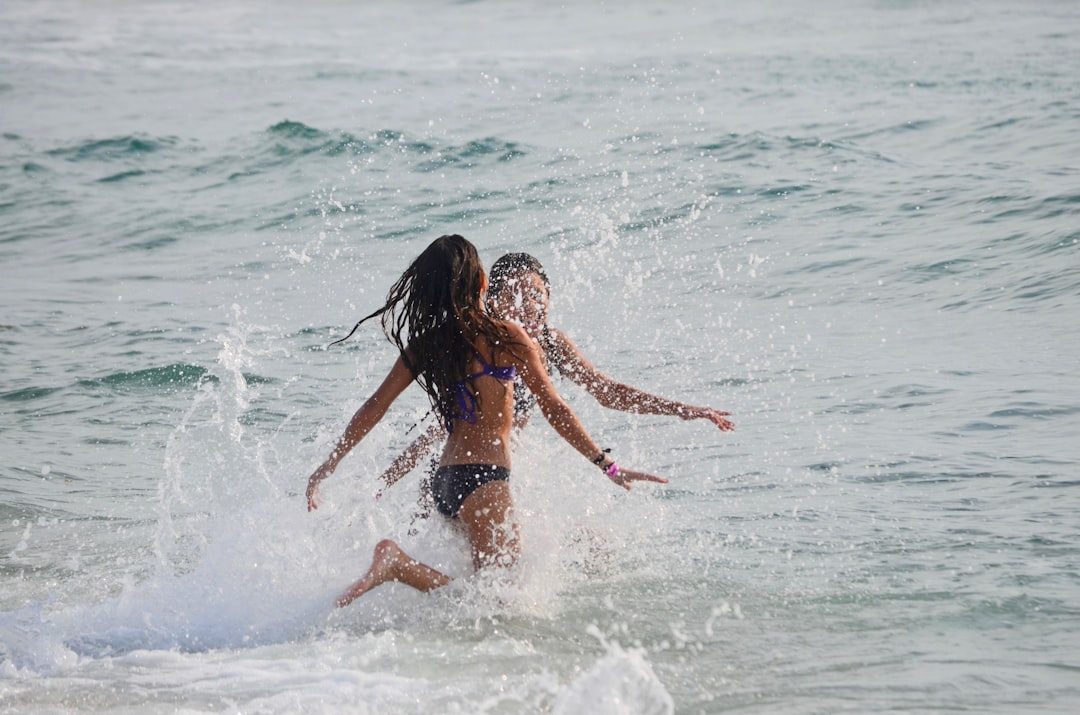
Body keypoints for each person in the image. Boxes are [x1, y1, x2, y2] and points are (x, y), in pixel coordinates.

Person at [305, 235, 665, 607]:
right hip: (484, 477)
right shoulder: (506, 337)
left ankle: (402, 568)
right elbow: (555, 408)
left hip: (444, 482)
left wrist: (330, 464)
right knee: (502, 601)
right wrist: (607, 465)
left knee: (483, 595)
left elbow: (374, 407)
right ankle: (398, 565)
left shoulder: (428, 343)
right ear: (482, 283)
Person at [376, 252, 734, 496]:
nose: (528, 304)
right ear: (493, 302)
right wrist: (386, 482)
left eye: (536, 293)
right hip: (459, 472)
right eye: (515, 295)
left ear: (549, 296)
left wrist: (687, 411)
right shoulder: (486, 347)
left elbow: (607, 392)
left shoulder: (551, 344)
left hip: (504, 472)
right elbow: (441, 429)